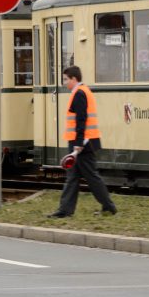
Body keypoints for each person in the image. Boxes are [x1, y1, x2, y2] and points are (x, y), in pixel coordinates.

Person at [48, 65, 118, 218]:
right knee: (74, 176)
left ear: (74, 79)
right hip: (83, 141)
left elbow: (81, 120)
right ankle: (65, 210)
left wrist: (78, 144)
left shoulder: (79, 94)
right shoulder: (82, 91)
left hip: (82, 143)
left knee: (90, 177)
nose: (64, 83)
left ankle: (109, 207)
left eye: (66, 79)